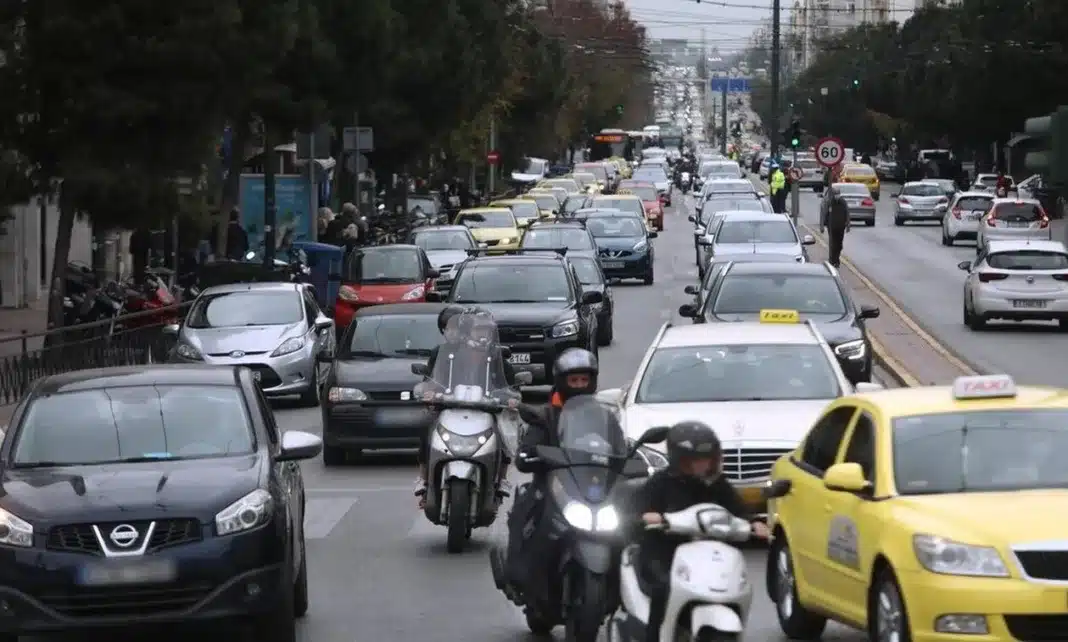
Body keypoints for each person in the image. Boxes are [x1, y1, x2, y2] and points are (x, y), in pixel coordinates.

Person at [628, 421, 770, 642]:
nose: (702, 464)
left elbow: (738, 510)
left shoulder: (718, 485)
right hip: (665, 552)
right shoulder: (661, 483)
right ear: (679, 459)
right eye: (695, 459)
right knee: (663, 588)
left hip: (708, 554)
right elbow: (637, 512)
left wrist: (754, 523)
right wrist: (649, 517)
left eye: (707, 458)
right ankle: (654, 636)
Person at [498, 349, 599, 602]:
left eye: (583, 380)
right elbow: (528, 449)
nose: (579, 386)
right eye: (573, 380)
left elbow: (618, 443)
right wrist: (530, 455)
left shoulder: (603, 415)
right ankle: (518, 578)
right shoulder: (546, 415)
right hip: (553, 487)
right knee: (527, 512)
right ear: (562, 381)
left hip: (592, 490)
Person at [414, 306, 516, 505]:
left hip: (486, 409)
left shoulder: (497, 356)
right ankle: (425, 478)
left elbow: (508, 384)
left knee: (505, 432)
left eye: (487, 330)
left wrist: (510, 397)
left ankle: (502, 478)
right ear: (468, 331)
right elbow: (436, 378)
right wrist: (430, 392)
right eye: (478, 329)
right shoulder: (451, 353)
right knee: (428, 428)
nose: (483, 334)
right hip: (452, 406)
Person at [821, 186, 851, 267]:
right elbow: (825, 213)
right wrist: (823, 225)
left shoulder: (843, 202)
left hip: (841, 227)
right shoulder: (830, 202)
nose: (836, 195)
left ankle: (835, 258)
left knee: (839, 245)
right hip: (831, 227)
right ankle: (834, 260)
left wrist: (848, 225)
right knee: (833, 244)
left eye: (838, 194)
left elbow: (847, 213)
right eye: (835, 194)